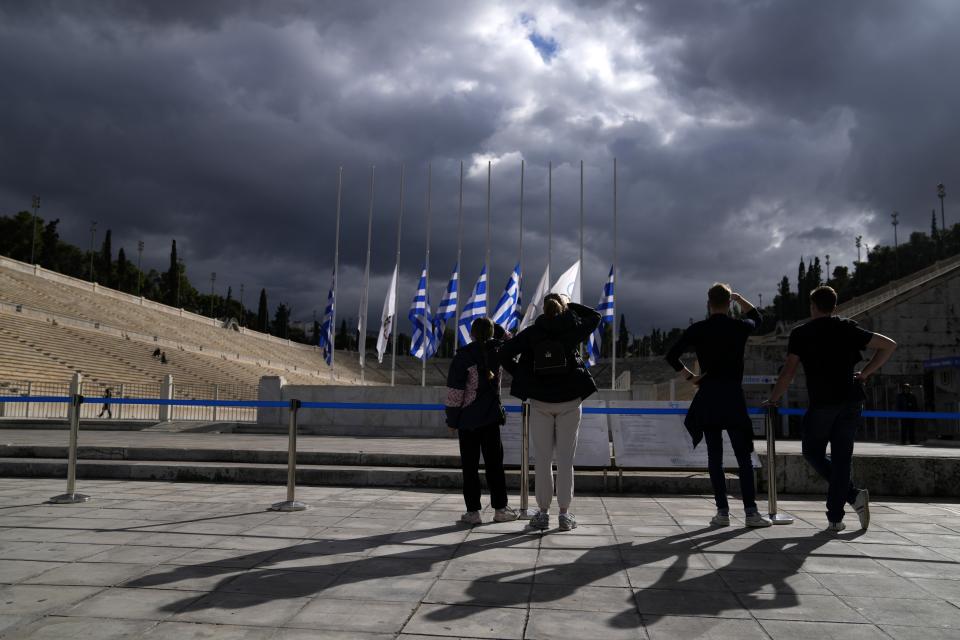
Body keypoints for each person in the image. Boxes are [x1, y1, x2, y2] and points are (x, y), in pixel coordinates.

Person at [765, 285, 897, 532]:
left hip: (824, 402)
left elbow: (788, 372)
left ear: (813, 306)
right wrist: (866, 373)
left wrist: (773, 398)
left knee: (812, 452)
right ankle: (836, 517)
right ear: (835, 306)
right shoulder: (847, 327)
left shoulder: (801, 333)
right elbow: (889, 345)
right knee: (842, 459)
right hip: (852, 399)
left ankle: (852, 497)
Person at [665, 284, 772, 528]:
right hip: (733, 396)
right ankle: (751, 512)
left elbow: (672, 355)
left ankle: (722, 512)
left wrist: (691, 377)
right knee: (743, 457)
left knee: (715, 457)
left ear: (708, 303)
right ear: (729, 303)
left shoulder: (699, 329)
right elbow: (757, 317)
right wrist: (741, 299)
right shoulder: (739, 327)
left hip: (709, 394)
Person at [499, 293, 601, 531]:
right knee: (566, 460)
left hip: (540, 401)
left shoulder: (533, 333)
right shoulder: (572, 327)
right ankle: (564, 514)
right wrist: (570, 305)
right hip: (570, 400)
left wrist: (524, 375)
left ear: (543, 309)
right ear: (563, 309)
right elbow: (595, 316)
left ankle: (543, 513)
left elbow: (503, 353)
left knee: (543, 460)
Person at [445, 317, 518, 525]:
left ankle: (473, 513)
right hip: (491, 418)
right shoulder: (500, 350)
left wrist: (451, 419)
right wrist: (499, 330)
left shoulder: (463, 356)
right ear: (492, 333)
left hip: (467, 421)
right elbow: (513, 342)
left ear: (471, 334)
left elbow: (455, 393)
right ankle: (500, 510)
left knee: (470, 467)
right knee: (495, 466)